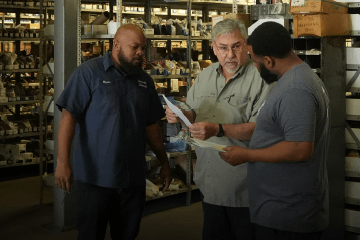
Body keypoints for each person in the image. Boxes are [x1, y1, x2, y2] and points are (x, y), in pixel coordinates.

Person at [54, 24, 172, 240]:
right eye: (134, 47)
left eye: (143, 48)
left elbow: (151, 125)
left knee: (127, 235)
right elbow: (68, 117)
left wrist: (164, 162)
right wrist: (62, 162)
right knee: (91, 235)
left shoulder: (144, 81)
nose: (140, 53)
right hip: (94, 179)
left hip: (132, 180)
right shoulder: (88, 73)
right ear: (116, 45)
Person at [219, 22, 330, 240]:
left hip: (289, 215)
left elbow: (299, 149)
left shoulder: (296, 89)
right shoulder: (296, 78)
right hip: (282, 209)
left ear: (268, 61)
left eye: (254, 59)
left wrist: (246, 155)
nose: (253, 65)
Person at [166, 18, 274, 240]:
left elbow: (260, 129)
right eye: (223, 48)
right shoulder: (205, 76)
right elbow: (193, 111)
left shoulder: (262, 78)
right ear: (214, 48)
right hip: (210, 182)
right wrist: (181, 114)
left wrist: (218, 129)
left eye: (236, 46)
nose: (230, 55)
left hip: (246, 187)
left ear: (246, 44)